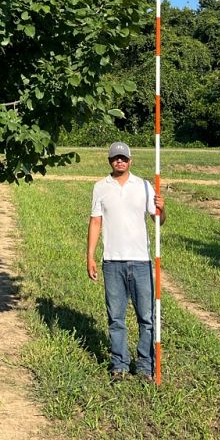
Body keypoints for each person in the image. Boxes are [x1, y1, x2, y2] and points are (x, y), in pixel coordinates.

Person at [86, 140, 165, 383]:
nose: (119, 161)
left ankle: (144, 366)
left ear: (130, 160)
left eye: (123, 158)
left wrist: (163, 209)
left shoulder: (143, 186)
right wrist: (90, 256)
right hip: (112, 262)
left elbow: (158, 221)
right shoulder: (100, 187)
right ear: (110, 161)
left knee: (146, 317)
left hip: (141, 261)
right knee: (116, 318)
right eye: (115, 158)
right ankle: (119, 364)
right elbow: (96, 222)